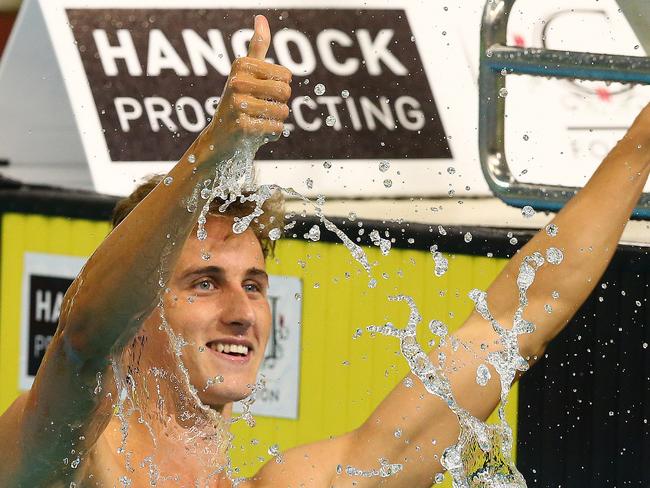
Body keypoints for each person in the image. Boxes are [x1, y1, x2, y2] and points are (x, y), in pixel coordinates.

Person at [1, 14, 649, 488]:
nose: (240, 311)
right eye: (203, 281)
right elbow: (86, 334)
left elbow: (520, 314)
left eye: (253, 284)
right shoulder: (75, 459)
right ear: (141, 310)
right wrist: (212, 154)